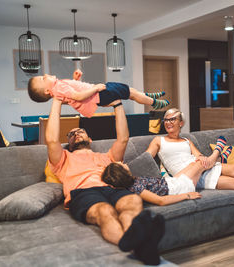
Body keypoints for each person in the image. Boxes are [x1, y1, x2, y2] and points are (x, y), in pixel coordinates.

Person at [45, 96, 164, 265]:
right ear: (68, 142)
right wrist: (57, 102)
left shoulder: (106, 157)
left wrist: (117, 104)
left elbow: (123, 139)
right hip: (83, 192)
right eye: (71, 134)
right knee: (104, 211)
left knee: (133, 200)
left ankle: (136, 243)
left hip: (111, 188)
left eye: (80, 131)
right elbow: (51, 139)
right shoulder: (62, 158)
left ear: (90, 139)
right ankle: (136, 246)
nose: (76, 134)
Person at [28, 69, 169, 117]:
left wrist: (76, 79)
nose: (45, 74)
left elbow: (74, 93)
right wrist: (95, 88)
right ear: (47, 90)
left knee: (130, 91)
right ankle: (154, 103)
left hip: (98, 95)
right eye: (42, 78)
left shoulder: (58, 90)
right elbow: (77, 96)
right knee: (129, 92)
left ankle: (148, 96)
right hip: (99, 94)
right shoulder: (58, 88)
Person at [102, 162, 202, 206]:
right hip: (176, 188)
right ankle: (217, 152)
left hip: (169, 182)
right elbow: (160, 201)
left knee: (193, 164)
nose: (122, 162)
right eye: (121, 164)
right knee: (201, 164)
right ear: (123, 172)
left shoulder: (133, 181)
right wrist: (187, 195)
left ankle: (217, 161)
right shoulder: (136, 188)